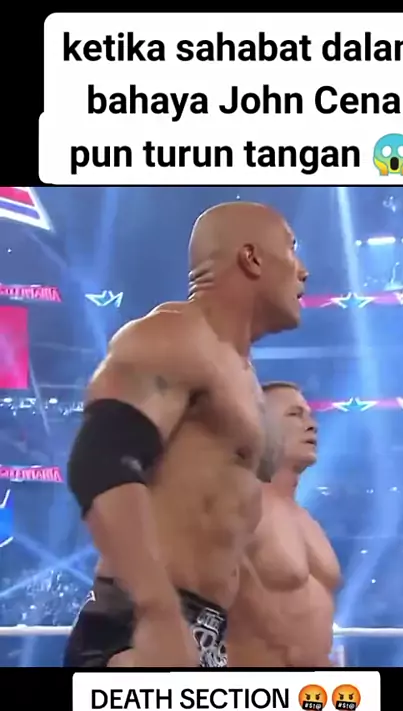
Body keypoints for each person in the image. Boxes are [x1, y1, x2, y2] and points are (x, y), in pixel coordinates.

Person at [63, 202, 308, 668]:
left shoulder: (243, 379)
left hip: (203, 629)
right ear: (252, 258)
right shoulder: (174, 336)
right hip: (139, 627)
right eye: (292, 249)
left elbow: (224, 529)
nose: (304, 270)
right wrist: (158, 612)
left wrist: (276, 637)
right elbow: (100, 462)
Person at [227, 382, 341, 668]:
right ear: (258, 425)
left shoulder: (307, 520)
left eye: (310, 415)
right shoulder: (234, 503)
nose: (312, 425)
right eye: (294, 414)